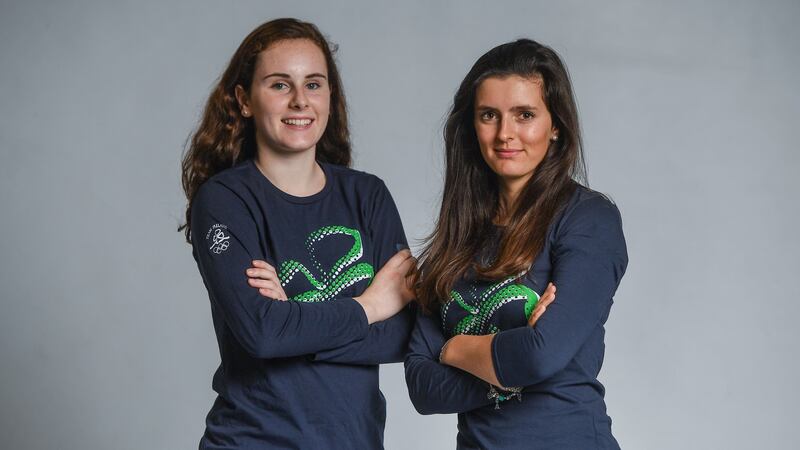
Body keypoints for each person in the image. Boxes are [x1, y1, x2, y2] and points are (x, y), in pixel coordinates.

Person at [180, 18, 415, 449]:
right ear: (244, 100)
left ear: (330, 96)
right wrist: (369, 306)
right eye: (279, 85)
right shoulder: (225, 201)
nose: (299, 101)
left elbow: (406, 333)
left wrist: (295, 321)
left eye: (313, 84)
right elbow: (262, 333)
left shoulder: (368, 195)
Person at [404, 39, 628, 449]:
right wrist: (513, 358)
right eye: (489, 115)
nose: (505, 134)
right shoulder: (459, 236)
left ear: (555, 124)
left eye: (525, 115)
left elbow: (540, 354)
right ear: (472, 125)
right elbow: (422, 388)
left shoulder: (588, 220)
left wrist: (453, 349)